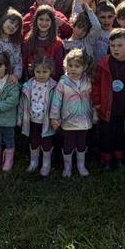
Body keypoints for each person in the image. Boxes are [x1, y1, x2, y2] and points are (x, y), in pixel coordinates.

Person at [50, 49, 96, 178]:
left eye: (77, 66)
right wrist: (54, 117)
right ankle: (67, 166)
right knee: (68, 144)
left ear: (84, 67)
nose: (73, 69)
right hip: (68, 119)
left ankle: (81, 165)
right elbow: (56, 101)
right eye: (70, 66)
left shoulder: (87, 81)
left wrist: (95, 112)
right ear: (66, 66)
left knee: (81, 143)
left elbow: (92, 98)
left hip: (84, 119)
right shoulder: (63, 82)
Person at [92, 28, 125, 169]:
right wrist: (97, 102)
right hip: (107, 108)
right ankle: (106, 159)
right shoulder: (104, 64)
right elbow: (96, 83)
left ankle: (119, 158)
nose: (115, 49)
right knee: (106, 134)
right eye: (112, 45)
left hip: (123, 108)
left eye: (119, 45)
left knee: (120, 133)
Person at [20, 58, 57, 174]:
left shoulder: (54, 86)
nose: (41, 75)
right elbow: (22, 103)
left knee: (46, 142)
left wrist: (56, 118)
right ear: (33, 71)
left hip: (47, 121)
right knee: (34, 140)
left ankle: (46, 164)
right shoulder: (28, 85)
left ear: (50, 71)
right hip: (32, 120)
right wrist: (20, 118)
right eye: (38, 72)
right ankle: (34, 162)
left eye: (45, 72)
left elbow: (57, 104)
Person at [22, 5, 66, 76]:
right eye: (41, 19)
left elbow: (59, 67)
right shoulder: (28, 40)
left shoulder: (57, 43)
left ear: (52, 22)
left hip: (51, 80)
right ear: (36, 20)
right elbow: (24, 63)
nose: (44, 23)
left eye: (47, 20)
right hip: (31, 80)